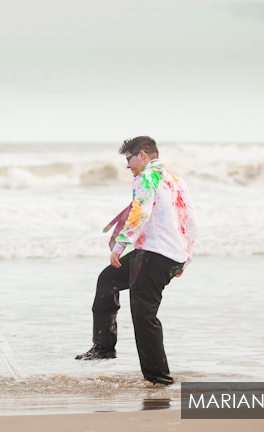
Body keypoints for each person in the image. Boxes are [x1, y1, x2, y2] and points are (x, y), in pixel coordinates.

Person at [75, 137, 198, 386]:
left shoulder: (145, 177)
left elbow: (139, 211)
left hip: (154, 254)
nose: (128, 165)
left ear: (142, 154)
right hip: (168, 254)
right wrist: (186, 257)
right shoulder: (175, 179)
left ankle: (158, 378)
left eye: (129, 159)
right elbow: (190, 218)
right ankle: (103, 346)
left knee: (144, 316)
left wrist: (119, 246)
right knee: (108, 280)